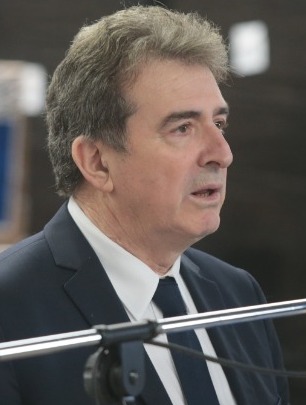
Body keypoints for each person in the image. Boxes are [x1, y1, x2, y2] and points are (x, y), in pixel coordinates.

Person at [0, 6, 289, 405]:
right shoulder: (11, 306)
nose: (222, 154)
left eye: (219, 124)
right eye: (182, 128)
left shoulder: (236, 292)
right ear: (97, 162)